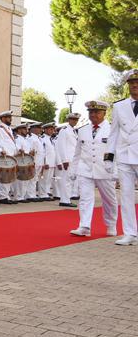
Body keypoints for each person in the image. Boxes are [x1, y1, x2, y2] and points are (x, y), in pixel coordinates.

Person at [69, 100, 118, 239]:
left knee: (109, 199)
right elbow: (77, 152)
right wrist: (73, 169)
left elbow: (118, 151)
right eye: (91, 112)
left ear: (104, 113)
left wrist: (116, 170)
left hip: (105, 170)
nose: (93, 114)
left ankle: (111, 224)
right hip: (85, 169)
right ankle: (84, 226)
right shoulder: (83, 130)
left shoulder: (112, 129)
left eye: (96, 112)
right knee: (85, 198)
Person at [107, 68, 138, 245]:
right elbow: (113, 133)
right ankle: (129, 233)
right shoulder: (119, 106)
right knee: (126, 196)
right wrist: (108, 159)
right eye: (132, 83)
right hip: (125, 156)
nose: (135, 85)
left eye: (137, 83)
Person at [55, 112, 81, 206]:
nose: (75, 121)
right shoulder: (64, 130)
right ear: (68, 120)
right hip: (68, 159)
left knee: (70, 180)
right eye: (73, 119)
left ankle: (66, 198)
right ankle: (64, 200)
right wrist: (64, 160)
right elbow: (60, 146)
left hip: (73, 159)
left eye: (76, 120)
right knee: (66, 180)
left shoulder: (74, 131)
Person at [0, 110, 17, 204]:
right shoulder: (0, 128)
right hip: (5, 155)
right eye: (8, 117)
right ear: (3, 118)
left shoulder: (8, 128)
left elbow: (11, 142)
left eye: (10, 117)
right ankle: (3, 196)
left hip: (11, 155)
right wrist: (3, 151)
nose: (10, 119)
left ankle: (6, 195)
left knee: (9, 177)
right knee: (5, 177)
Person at [38, 122, 58, 201]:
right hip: (47, 162)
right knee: (43, 179)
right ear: (45, 129)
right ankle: (42, 194)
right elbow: (43, 152)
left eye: (53, 129)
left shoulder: (51, 139)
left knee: (48, 179)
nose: (52, 131)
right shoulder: (43, 138)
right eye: (50, 129)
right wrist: (44, 162)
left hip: (52, 163)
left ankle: (46, 192)